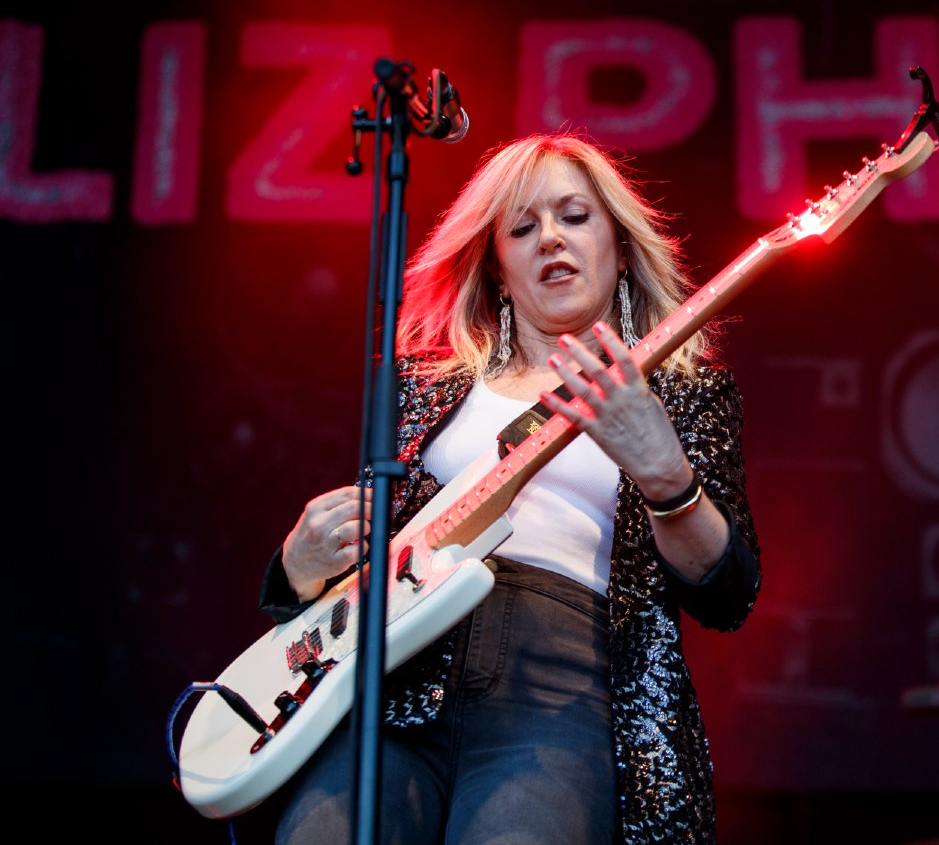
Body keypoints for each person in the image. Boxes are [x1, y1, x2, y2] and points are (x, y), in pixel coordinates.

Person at [257, 131, 762, 844]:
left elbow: (726, 592)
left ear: (617, 242)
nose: (550, 238)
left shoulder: (681, 393)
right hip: (397, 677)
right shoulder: (425, 387)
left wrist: (666, 476)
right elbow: (356, 577)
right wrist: (298, 565)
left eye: (574, 217)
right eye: (522, 228)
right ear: (497, 269)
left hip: (559, 689)